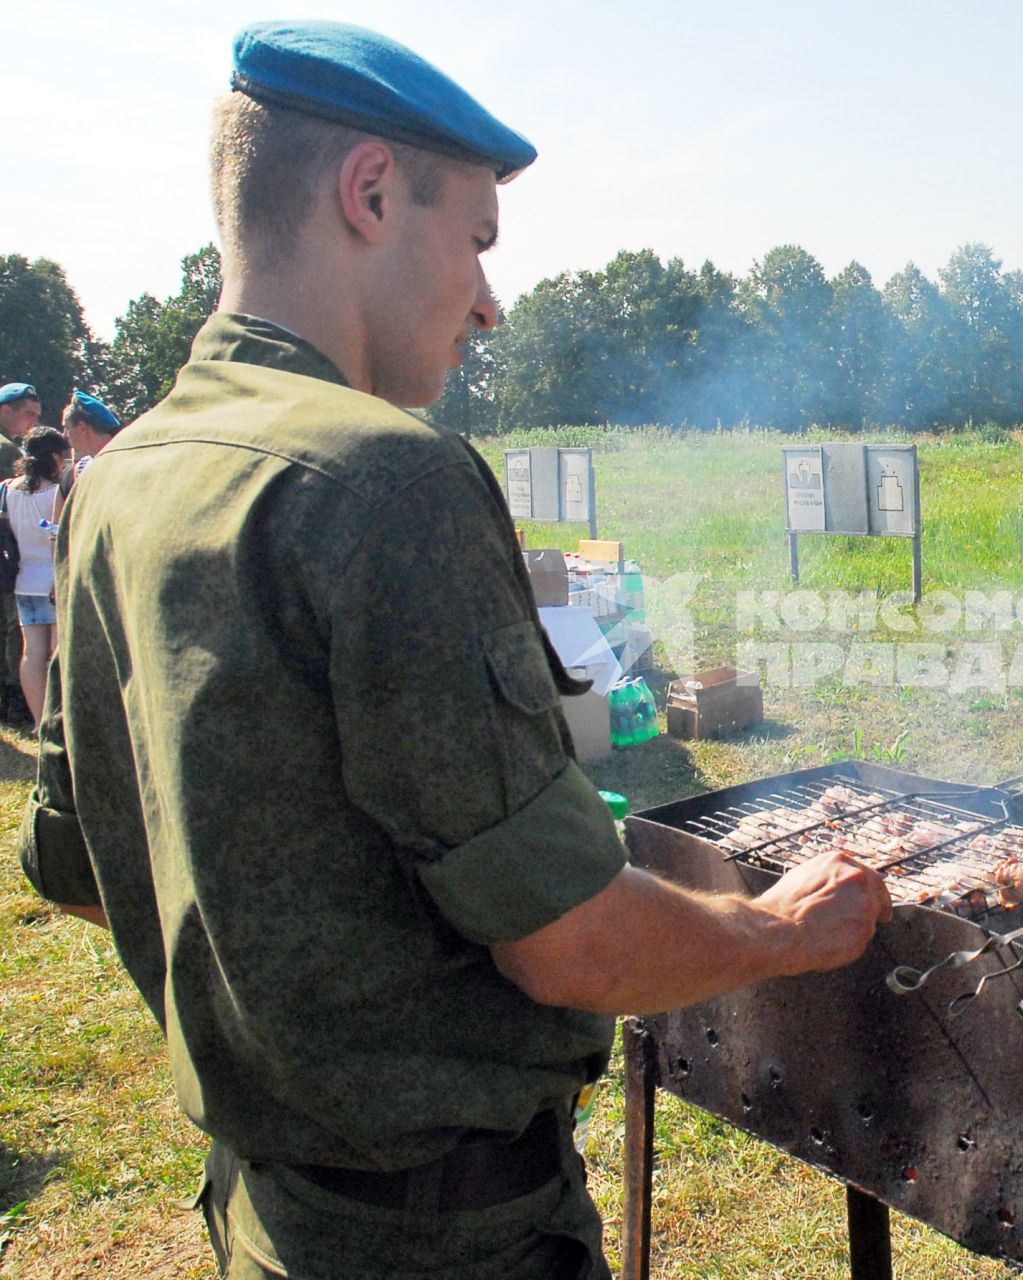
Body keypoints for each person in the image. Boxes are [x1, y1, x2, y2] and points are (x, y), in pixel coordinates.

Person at [18, 20, 889, 1279]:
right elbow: (570, 940)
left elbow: (79, 860)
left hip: (266, 1210)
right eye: (476, 239)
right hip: (447, 1236)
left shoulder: (127, 471)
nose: (487, 300)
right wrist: (779, 930)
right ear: (369, 191)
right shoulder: (384, 478)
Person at [5, 426, 70, 725]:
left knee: (31, 654)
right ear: (56, 456)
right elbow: (58, 534)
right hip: (54, 578)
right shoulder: (58, 490)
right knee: (58, 654)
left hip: (24, 580)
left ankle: (40, 719)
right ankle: (61, 719)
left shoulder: (7, 489)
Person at [0, 382, 37, 727]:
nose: (31, 424)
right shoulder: (8, 452)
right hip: (7, 552)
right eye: (28, 414)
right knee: (15, 625)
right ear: (5, 409)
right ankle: (15, 701)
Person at [58, 390, 123, 506]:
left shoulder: (125, 461)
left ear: (82, 427)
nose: (64, 435)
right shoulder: (78, 471)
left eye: (66, 428)